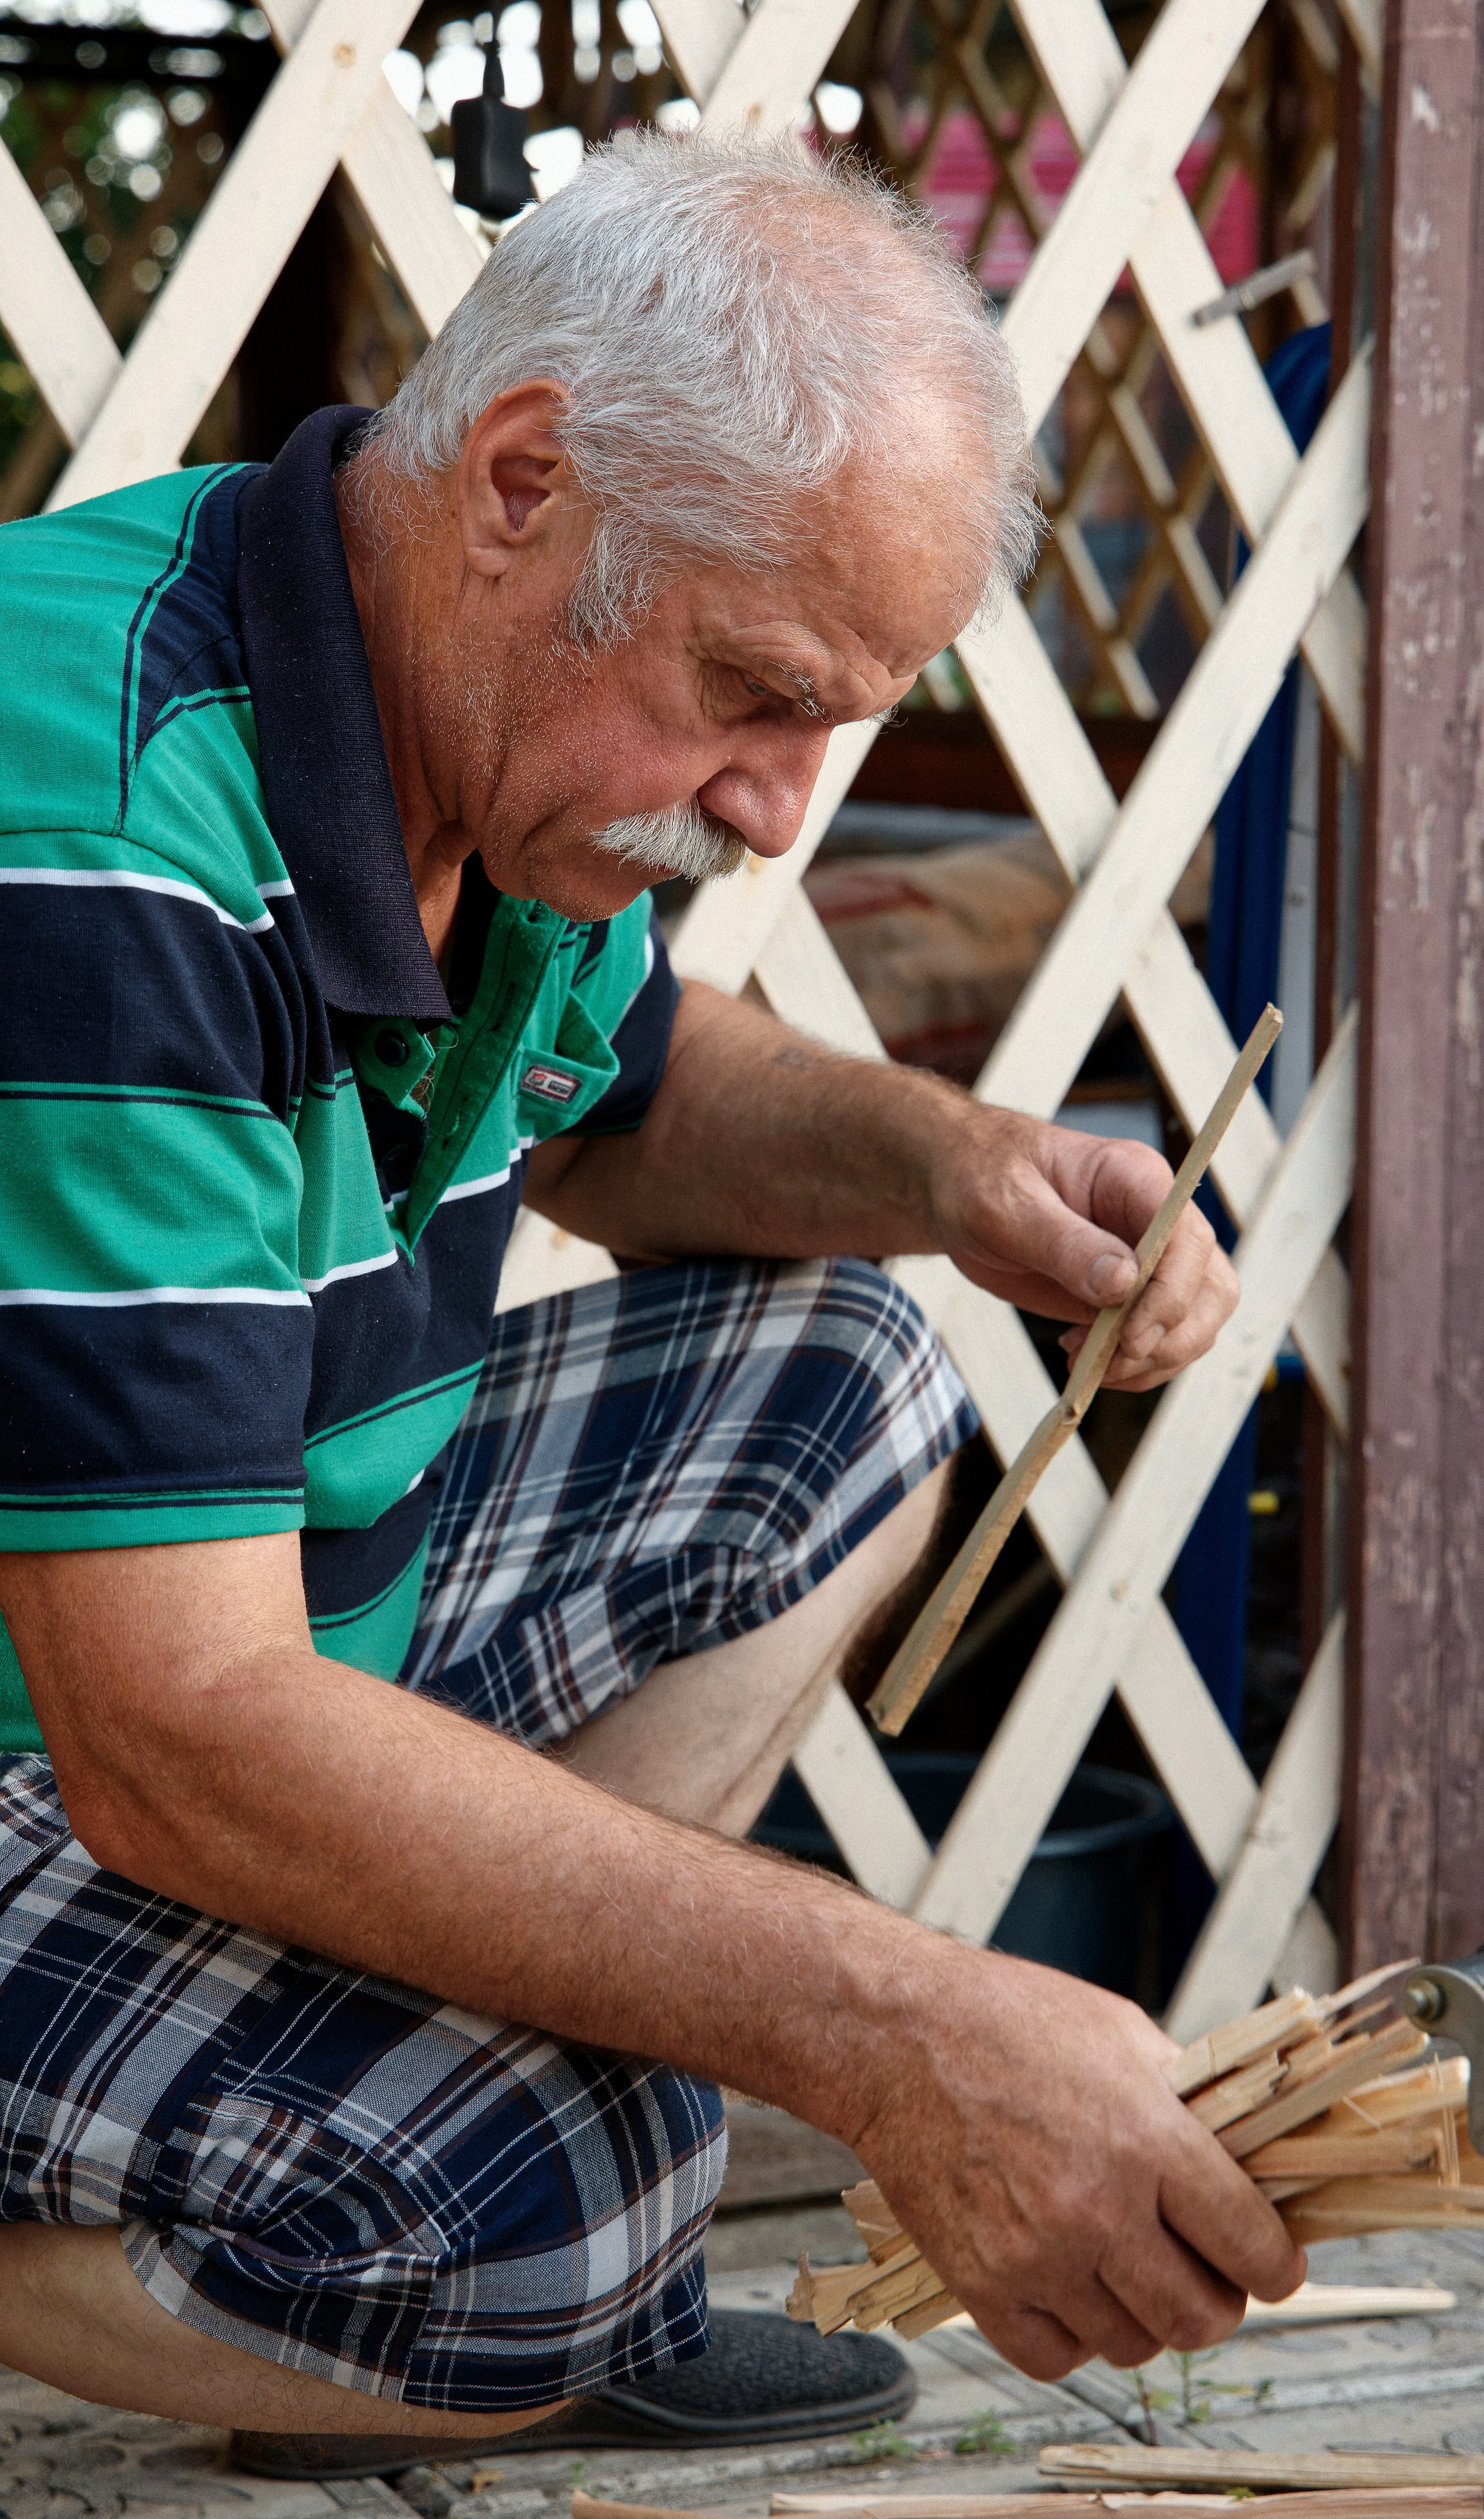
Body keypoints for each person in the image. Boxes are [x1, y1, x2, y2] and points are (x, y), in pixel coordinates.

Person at [0, 129, 1297, 2476]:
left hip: (213, 1662)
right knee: (549, 2242)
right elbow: (174, 1729)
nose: (787, 808)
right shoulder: (90, 818)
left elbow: (630, 1090)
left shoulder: (482, 733)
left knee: (846, 1371)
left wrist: (951, 1167)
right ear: (521, 477)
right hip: (100, 1720)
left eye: (842, 725)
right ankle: (394, 2244)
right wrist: (898, 2027)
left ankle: (370, 2162)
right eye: (758, 692)